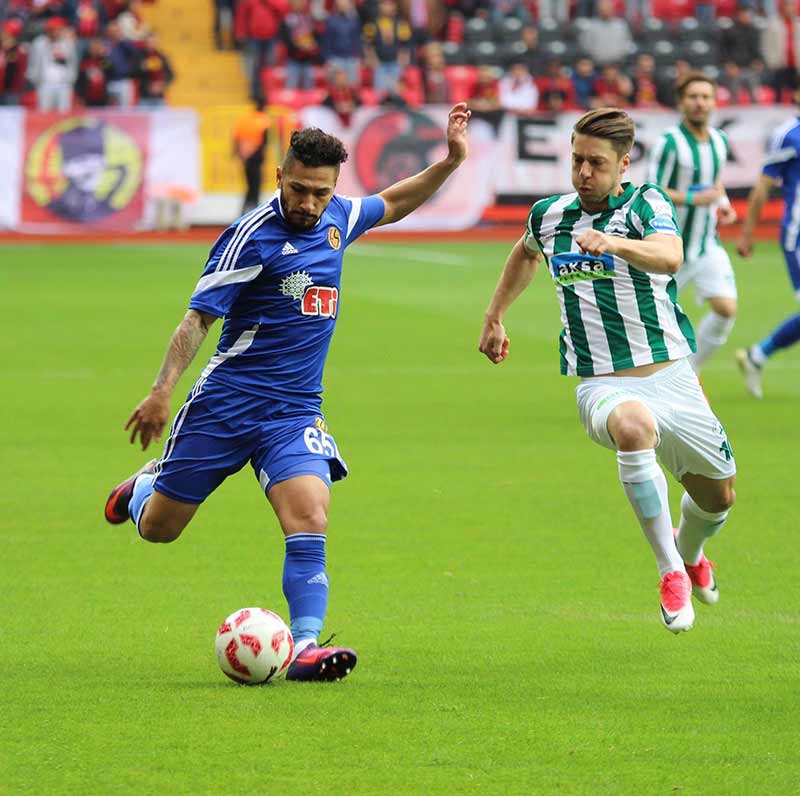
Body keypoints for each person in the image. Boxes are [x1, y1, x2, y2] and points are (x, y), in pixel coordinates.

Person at [104, 104, 471, 680]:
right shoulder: (247, 237)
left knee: (310, 517)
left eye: (319, 193)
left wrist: (450, 162)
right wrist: (159, 393)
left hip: (294, 410)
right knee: (159, 530)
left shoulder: (339, 218)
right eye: (298, 189)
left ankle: (303, 648)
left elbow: (395, 201)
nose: (307, 203)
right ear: (279, 175)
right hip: (225, 404)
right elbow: (197, 320)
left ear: (333, 188)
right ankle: (142, 489)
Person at [478, 108, 736, 634]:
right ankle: (670, 571)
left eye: (596, 163)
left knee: (719, 497)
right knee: (633, 426)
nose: (583, 173)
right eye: (576, 160)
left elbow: (669, 256)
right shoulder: (550, 215)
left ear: (624, 163)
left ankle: (691, 552)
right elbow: (525, 255)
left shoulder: (647, 204)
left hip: (673, 377)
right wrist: (495, 315)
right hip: (602, 384)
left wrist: (614, 243)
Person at [647, 73, 738, 376]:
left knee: (726, 308)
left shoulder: (719, 140)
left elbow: (714, 183)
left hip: (705, 244)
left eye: (705, 97)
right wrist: (689, 198)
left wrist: (723, 205)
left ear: (714, 102)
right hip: (669, 248)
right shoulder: (669, 143)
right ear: (681, 102)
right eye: (693, 97)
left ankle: (693, 370)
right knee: (653, 322)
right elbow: (650, 190)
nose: (700, 103)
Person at [735, 86, 800, 398]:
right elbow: (762, 185)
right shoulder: (789, 134)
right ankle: (758, 355)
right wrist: (747, 233)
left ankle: (757, 355)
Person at [232, 99, 271, 214]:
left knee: (249, 185)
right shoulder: (264, 120)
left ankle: (244, 211)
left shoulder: (245, 119)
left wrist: (237, 153)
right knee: (256, 186)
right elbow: (265, 140)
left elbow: (236, 137)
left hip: (245, 156)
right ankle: (255, 212)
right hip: (256, 156)